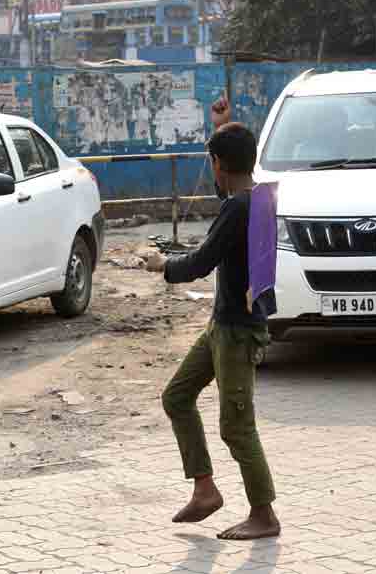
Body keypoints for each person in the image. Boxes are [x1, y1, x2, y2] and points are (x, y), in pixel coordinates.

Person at [147, 97, 280, 541]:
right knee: (177, 397)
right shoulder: (255, 194)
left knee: (237, 427)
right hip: (221, 327)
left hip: (237, 333)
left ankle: (264, 515)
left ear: (219, 165)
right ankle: (205, 489)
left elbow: (202, 261)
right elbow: (231, 184)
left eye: (214, 163)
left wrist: (162, 266)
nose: (214, 173)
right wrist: (223, 127)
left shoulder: (239, 208)